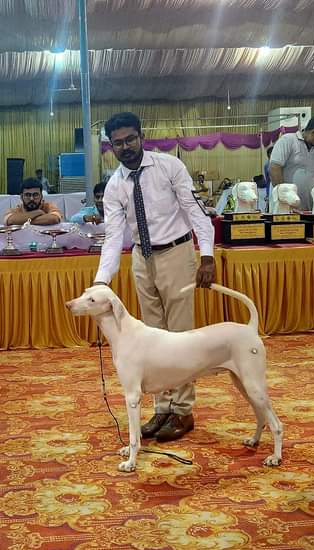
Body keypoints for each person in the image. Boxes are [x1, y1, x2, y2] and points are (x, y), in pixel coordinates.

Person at [93, 111, 216, 443]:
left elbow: (195, 210)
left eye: (130, 139)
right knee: (152, 338)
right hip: (140, 258)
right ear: (111, 147)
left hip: (176, 253)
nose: (125, 146)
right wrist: (101, 282)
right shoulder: (115, 186)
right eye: (118, 143)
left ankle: (183, 410)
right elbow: (113, 235)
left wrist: (206, 254)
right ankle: (163, 407)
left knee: (180, 335)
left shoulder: (169, 167)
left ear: (141, 137)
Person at [269, 114, 314, 211]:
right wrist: (285, 200)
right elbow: (275, 169)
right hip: (286, 208)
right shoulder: (288, 140)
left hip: (312, 209)